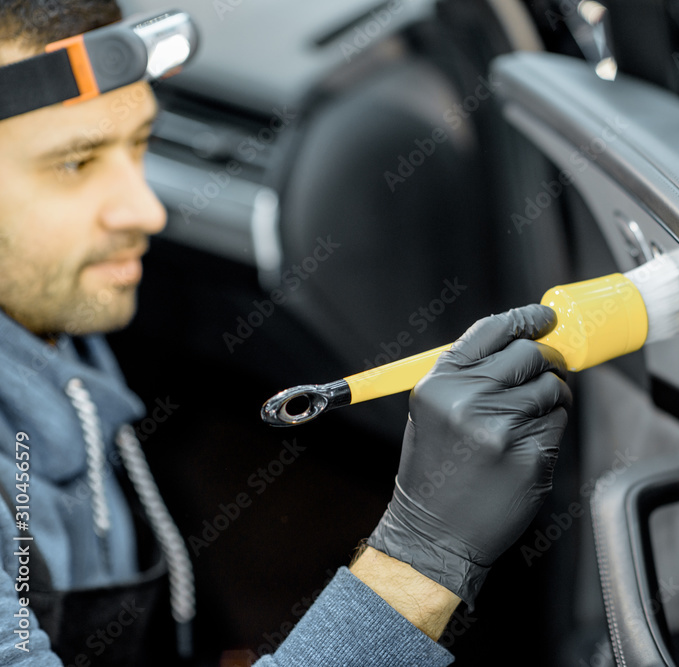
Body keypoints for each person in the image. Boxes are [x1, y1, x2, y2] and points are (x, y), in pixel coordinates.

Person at [0, 1, 572, 664]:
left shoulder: (52, 327)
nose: (146, 209)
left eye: (139, 145)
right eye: (75, 163)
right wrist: (424, 554)